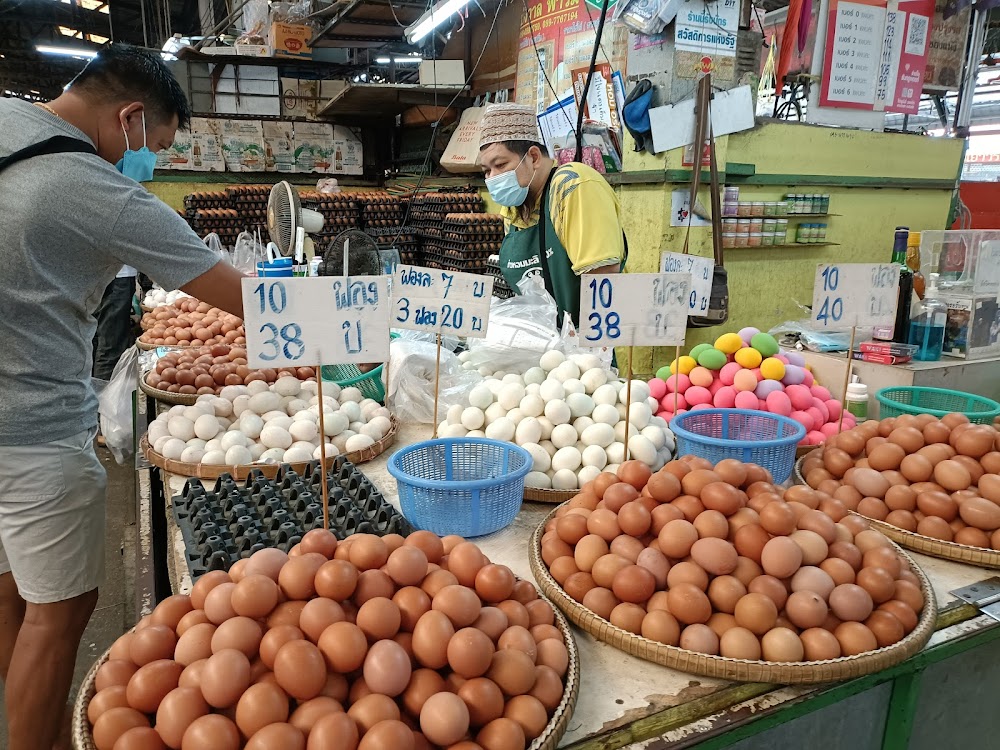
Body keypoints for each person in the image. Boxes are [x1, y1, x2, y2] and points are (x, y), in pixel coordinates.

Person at [0, 44, 246, 750]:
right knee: (59, 609)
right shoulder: (91, 187)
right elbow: (245, 302)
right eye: (156, 145)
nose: (149, 162)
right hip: (31, 430)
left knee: (6, 586)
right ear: (130, 117)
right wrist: (349, 328)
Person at [478, 103, 626, 328]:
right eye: (486, 171)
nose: (492, 178)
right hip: (542, 342)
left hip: (585, 346)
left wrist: (582, 355)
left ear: (534, 157)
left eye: (500, 165)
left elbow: (602, 281)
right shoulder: (514, 206)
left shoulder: (573, 186)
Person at [92, 265, 139, 382]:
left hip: (94, 276)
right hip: (116, 276)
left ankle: (92, 391)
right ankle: (104, 394)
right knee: (111, 346)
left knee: (93, 340)